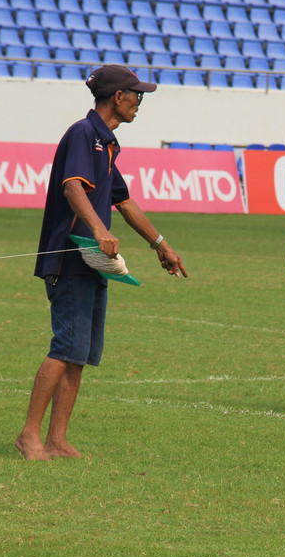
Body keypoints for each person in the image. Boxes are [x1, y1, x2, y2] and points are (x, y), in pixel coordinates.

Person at [16, 65, 187, 460]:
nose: (139, 102)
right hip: (70, 256)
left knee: (79, 355)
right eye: (136, 95)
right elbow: (72, 185)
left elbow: (123, 201)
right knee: (64, 348)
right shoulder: (84, 133)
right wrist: (99, 230)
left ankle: (57, 439)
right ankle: (29, 435)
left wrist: (160, 244)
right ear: (117, 97)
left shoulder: (107, 143)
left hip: (93, 262)